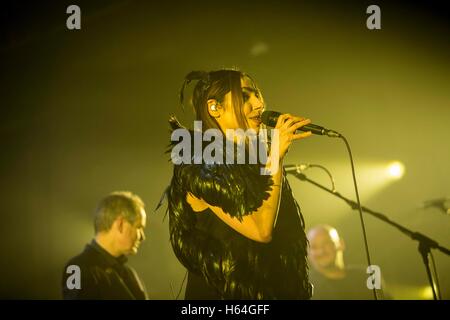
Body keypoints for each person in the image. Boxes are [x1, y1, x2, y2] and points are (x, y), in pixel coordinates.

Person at [166, 69, 313, 299]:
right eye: (245, 96)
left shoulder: (258, 161)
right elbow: (260, 230)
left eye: (257, 95)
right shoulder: (198, 163)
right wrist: (276, 157)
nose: (258, 104)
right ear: (214, 107)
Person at [62, 191, 148, 299]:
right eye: (139, 227)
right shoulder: (77, 268)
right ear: (120, 224)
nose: (142, 237)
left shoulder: (129, 274)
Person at [307, 224, 386, 299]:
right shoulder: (303, 286)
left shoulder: (368, 276)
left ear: (341, 244)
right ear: (307, 252)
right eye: (314, 247)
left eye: (326, 243)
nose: (321, 251)